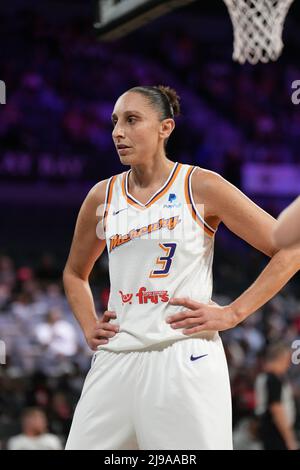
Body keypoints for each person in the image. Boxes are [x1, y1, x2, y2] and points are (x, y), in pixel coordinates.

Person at [63, 85, 300, 450]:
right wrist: (88, 325)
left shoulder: (201, 185)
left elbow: (290, 248)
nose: (117, 132)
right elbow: (75, 273)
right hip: (115, 357)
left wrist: (234, 312)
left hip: (184, 356)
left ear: (165, 128)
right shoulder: (102, 195)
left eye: (131, 120)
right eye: (114, 122)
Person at [255, 343, 298, 450]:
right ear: (281, 358)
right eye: (287, 360)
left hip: (267, 428)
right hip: (276, 431)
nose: (288, 365)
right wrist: (289, 439)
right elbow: (276, 409)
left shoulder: (263, 377)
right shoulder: (274, 379)